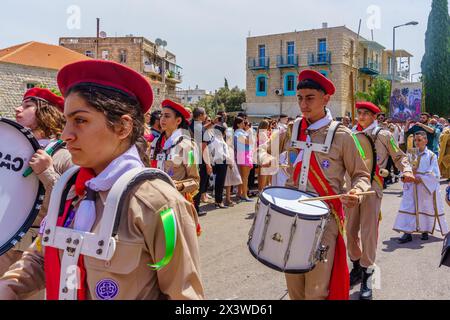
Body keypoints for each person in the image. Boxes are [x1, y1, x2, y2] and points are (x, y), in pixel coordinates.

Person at [0, 59, 204, 300]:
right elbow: (43, 255)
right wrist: (8, 287)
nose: (66, 135)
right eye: (66, 121)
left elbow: (185, 297)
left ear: (122, 127)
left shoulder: (160, 205)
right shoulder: (68, 190)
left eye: (80, 120)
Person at [258, 70, 371, 300]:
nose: (303, 104)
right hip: (289, 216)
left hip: (324, 219)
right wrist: (265, 158)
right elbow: (261, 149)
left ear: (326, 98)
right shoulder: (292, 129)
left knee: (317, 290)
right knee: (295, 288)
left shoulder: (343, 136)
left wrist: (356, 192)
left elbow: (361, 175)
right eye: (299, 97)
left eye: (309, 97)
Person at [0, 88, 73, 279]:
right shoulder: (10, 148)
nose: (18, 109)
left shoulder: (64, 156)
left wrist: (47, 172)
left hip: (34, 251)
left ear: (45, 111)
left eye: (27, 105)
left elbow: (70, 205)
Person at [347, 101, 414, 300]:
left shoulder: (383, 135)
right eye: (359, 113)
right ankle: (357, 265)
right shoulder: (350, 135)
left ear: (374, 117)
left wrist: (407, 170)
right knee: (349, 231)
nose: (361, 116)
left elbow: (399, 156)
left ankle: (368, 275)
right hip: (352, 188)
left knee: (368, 233)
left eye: (365, 114)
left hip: (373, 187)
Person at [394, 131, 449, 243]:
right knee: (409, 207)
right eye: (415, 140)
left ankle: (425, 230)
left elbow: (435, 174)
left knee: (425, 208)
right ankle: (407, 233)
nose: (417, 142)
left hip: (424, 188)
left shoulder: (431, 156)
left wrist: (420, 179)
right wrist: (404, 176)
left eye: (419, 140)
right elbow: (404, 167)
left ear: (426, 141)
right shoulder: (410, 153)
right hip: (411, 187)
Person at [151, 100, 202, 219]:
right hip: (155, 203)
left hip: (176, 206)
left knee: (172, 237)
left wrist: (178, 185)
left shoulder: (187, 146)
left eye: (167, 116)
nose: (162, 119)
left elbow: (195, 181)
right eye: (161, 116)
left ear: (178, 121)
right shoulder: (155, 144)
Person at [188, 108, 212, 215]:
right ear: (201, 115)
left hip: (190, 158)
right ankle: (195, 209)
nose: (206, 116)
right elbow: (203, 146)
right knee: (198, 185)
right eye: (205, 114)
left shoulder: (191, 124)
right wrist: (208, 164)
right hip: (199, 160)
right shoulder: (198, 127)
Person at [209, 125, 231, 208]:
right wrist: (228, 160)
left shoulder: (218, 139)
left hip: (219, 162)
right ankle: (219, 201)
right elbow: (220, 153)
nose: (225, 133)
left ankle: (218, 201)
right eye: (224, 131)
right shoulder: (217, 140)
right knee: (220, 183)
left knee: (219, 183)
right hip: (220, 162)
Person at [233, 117, 254, 202]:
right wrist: (249, 131)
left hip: (243, 154)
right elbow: (248, 142)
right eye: (242, 123)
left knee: (242, 177)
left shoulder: (239, 132)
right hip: (244, 155)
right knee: (245, 177)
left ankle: (240, 193)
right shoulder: (240, 133)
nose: (244, 124)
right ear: (238, 124)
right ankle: (244, 195)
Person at [256, 120, 275, 192]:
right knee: (263, 173)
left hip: (262, 153)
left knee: (261, 173)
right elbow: (266, 144)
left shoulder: (261, 132)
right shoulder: (263, 133)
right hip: (263, 154)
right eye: (268, 125)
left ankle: (261, 189)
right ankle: (261, 189)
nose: (270, 126)